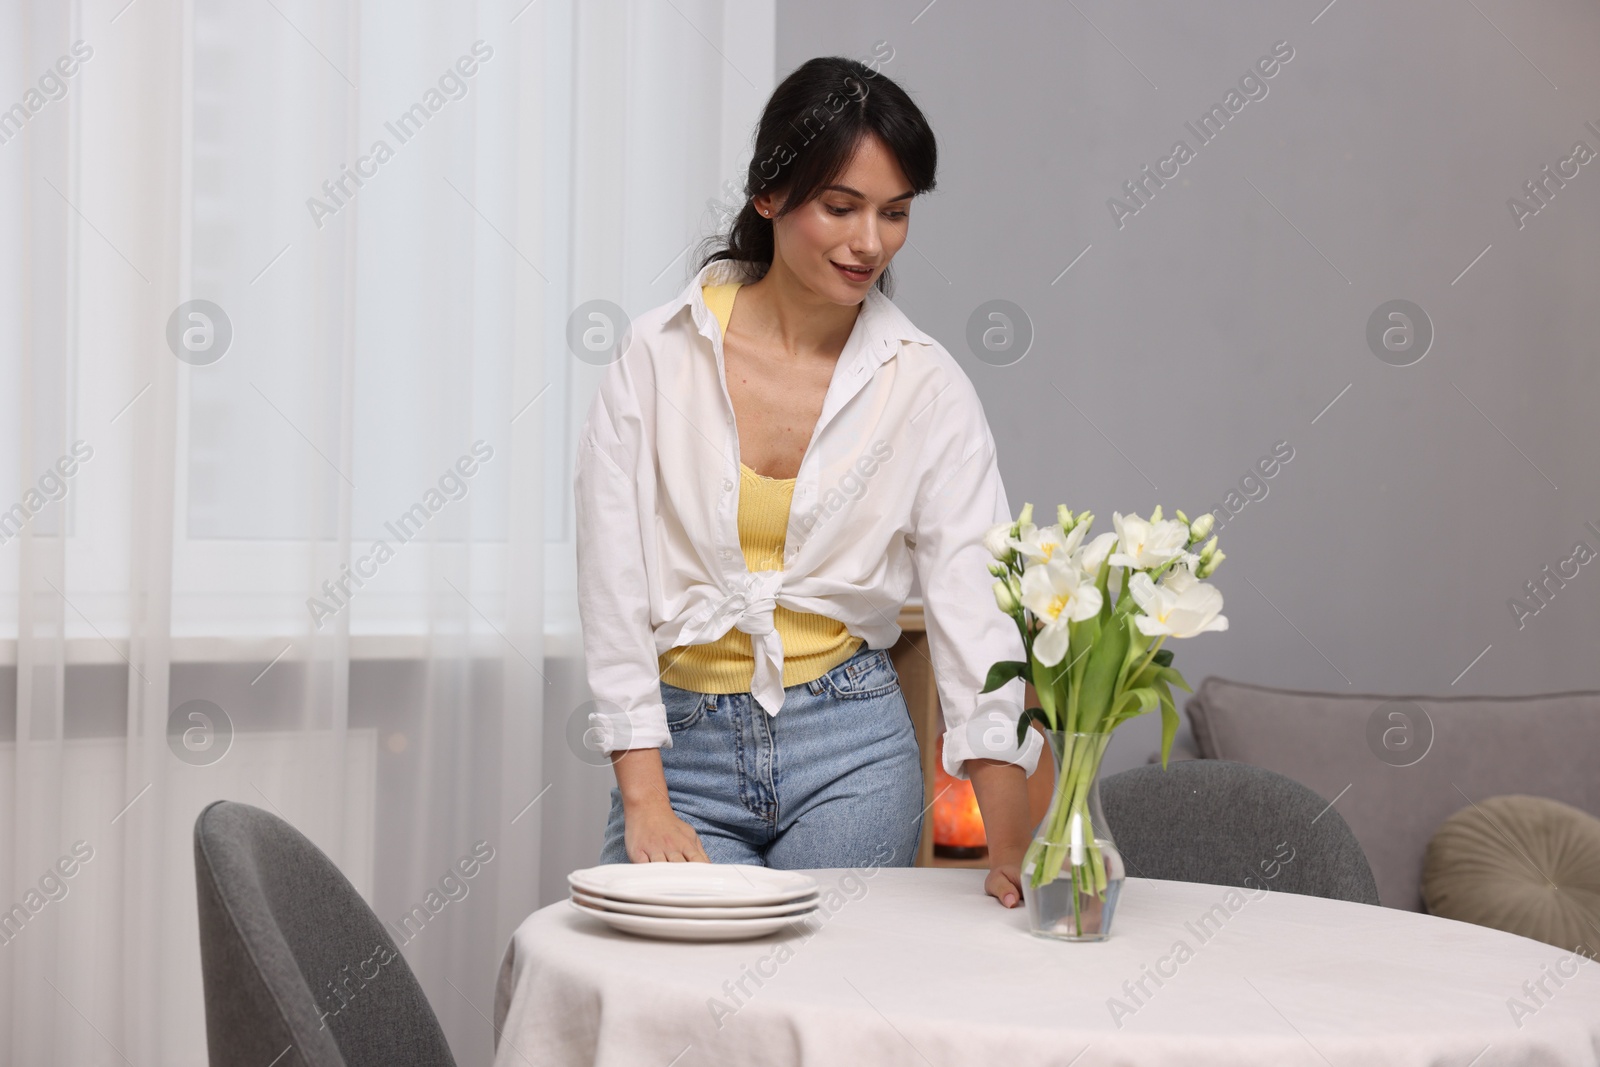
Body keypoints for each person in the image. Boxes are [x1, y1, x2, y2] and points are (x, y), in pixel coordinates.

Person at [576, 56, 1042, 909]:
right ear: (769, 195)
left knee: (833, 1000)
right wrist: (644, 797)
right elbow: (614, 589)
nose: (871, 242)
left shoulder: (925, 385)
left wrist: (1011, 840)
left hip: (853, 744)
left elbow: (976, 613)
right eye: (841, 207)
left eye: (895, 213)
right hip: (686, 752)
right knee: (684, 1007)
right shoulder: (655, 358)